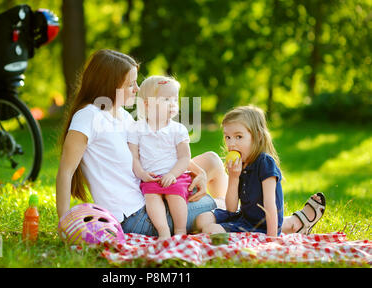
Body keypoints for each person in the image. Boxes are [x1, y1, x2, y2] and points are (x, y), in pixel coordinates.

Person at [56, 48, 326, 237]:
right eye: (130, 85)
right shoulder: (89, 117)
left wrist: (195, 174)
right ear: (108, 85)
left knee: (209, 159)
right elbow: (66, 171)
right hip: (140, 215)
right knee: (212, 210)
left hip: (153, 189)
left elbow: (155, 152)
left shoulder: (122, 117)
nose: (136, 91)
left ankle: (230, 209)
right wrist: (64, 223)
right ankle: (285, 223)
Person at [196, 106, 326, 236]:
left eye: (239, 137)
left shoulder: (265, 163)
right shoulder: (240, 163)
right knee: (201, 220)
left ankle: (289, 226)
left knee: (210, 230)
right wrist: (233, 177)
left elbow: (270, 204)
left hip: (260, 226)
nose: (231, 144)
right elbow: (231, 208)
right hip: (244, 218)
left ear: (257, 136)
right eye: (227, 137)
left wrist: (272, 238)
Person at [128, 75, 206, 239]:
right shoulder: (137, 129)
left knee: (177, 195)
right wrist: (142, 174)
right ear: (148, 104)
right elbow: (133, 157)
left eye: (175, 99)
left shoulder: (178, 129)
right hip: (151, 178)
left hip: (175, 175)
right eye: (166, 99)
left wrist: (172, 174)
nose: (172, 104)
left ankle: (179, 231)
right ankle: (163, 231)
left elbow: (185, 158)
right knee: (151, 197)